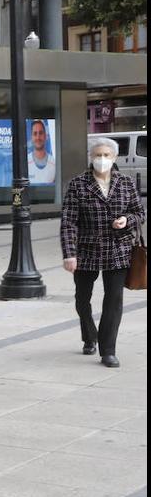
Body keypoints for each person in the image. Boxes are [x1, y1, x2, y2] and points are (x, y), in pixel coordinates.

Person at [60, 136, 145, 368]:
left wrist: (126, 219)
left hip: (117, 250)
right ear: (91, 157)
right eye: (98, 155)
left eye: (107, 155)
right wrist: (69, 254)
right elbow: (68, 222)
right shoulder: (78, 184)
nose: (102, 159)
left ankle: (108, 350)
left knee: (114, 300)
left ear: (114, 157)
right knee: (82, 299)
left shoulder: (126, 183)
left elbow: (140, 213)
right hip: (86, 250)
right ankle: (89, 335)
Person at [29, 119, 56, 185]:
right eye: (35, 134)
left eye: (40, 133)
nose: (38, 137)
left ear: (45, 136)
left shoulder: (54, 163)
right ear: (31, 137)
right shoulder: (24, 163)